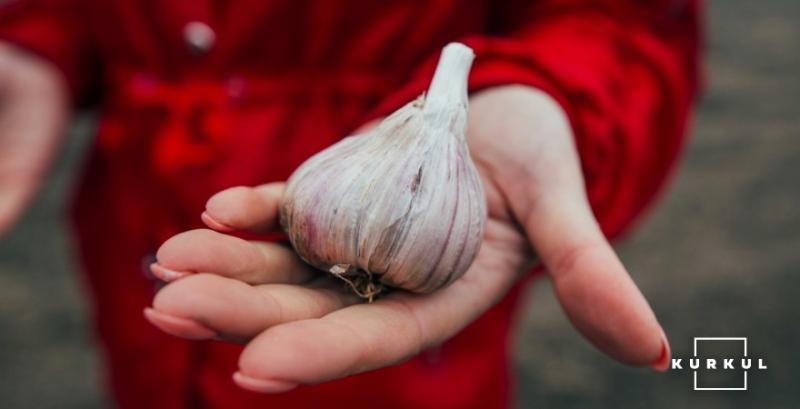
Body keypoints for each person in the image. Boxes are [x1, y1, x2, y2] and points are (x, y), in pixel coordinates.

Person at [0, 1, 701, 408]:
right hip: (141, 239)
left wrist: (551, 92)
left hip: (408, 381)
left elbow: (620, 18)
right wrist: (34, 39)